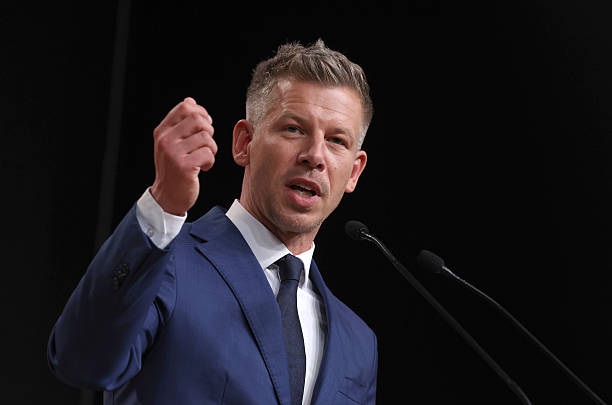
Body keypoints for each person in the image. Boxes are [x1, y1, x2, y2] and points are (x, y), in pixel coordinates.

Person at [48, 38, 378, 404]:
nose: (314, 155)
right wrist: (163, 203)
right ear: (244, 142)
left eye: (336, 140)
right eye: (293, 129)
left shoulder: (358, 343)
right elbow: (82, 362)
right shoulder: (165, 264)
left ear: (354, 171)